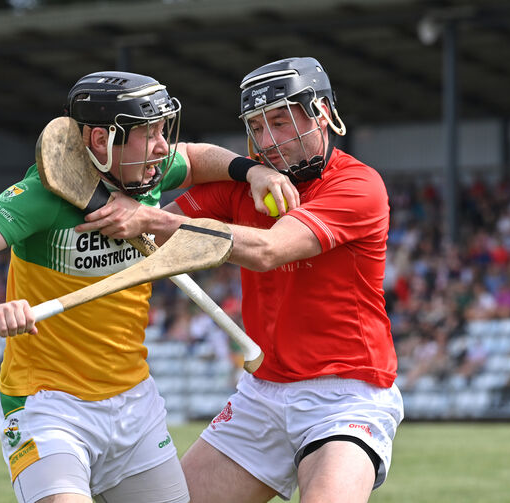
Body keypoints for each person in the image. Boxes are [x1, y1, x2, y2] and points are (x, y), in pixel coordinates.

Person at [0, 70, 292, 503]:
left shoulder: (147, 176)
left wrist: (250, 172)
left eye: (162, 130)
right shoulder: (45, 195)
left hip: (136, 405)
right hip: (47, 407)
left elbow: (192, 158)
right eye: (148, 132)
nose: (161, 146)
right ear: (102, 141)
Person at [77, 57, 404, 503]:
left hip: (345, 396)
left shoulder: (358, 186)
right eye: (257, 126)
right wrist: (99, 216)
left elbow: (269, 250)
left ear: (322, 113)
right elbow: (152, 232)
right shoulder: (243, 182)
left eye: (280, 122)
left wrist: (148, 220)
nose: (268, 141)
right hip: (261, 395)